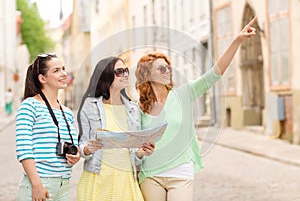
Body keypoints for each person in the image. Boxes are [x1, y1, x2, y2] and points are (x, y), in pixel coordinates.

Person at [135, 17, 257, 201]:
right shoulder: (139, 107)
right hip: (150, 174)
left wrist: (237, 40)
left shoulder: (185, 94)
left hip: (181, 171)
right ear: (147, 75)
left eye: (167, 67)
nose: (167, 71)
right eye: (160, 69)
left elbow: (215, 73)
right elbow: (133, 144)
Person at [77, 57, 155, 201]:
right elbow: (82, 145)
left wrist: (141, 152)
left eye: (126, 71)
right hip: (98, 177)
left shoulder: (133, 109)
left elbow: (134, 152)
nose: (125, 74)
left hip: (125, 178)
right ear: (106, 76)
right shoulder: (90, 105)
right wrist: (88, 148)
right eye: (119, 71)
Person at [15, 53, 80, 201]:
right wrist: (36, 184)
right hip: (39, 184)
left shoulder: (67, 112)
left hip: (63, 185)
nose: (63, 74)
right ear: (42, 78)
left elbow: (74, 145)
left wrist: (76, 156)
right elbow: (24, 149)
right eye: (56, 70)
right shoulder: (29, 106)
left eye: (63, 69)